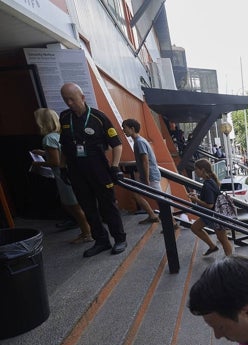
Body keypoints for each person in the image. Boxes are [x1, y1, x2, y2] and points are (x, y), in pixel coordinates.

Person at [58, 82, 127, 257]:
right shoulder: (65, 118)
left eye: (72, 99)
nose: (69, 103)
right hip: (76, 171)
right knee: (88, 208)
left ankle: (119, 239)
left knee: (108, 206)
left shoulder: (98, 117)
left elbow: (116, 145)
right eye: (66, 100)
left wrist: (115, 167)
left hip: (99, 169)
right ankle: (101, 241)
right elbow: (64, 146)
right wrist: (62, 167)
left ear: (82, 97)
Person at [31, 108, 92, 244]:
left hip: (62, 176)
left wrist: (38, 164)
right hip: (71, 174)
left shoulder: (48, 138)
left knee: (73, 207)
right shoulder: (59, 136)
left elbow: (55, 161)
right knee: (75, 205)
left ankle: (87, 233)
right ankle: (88, 231)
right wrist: (43, 153)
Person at [187, 158, 233, 257]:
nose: (195, 171)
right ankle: (212, 246)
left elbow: (210, 204)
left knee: (223, 239)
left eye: (196, 169)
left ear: (202, 170)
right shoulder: (211, 181)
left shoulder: (208, 184)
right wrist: (198, 197)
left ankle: (231, 260)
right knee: (195, 227)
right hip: (211, 215)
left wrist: (196, 200)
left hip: (214, 216)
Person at [121, 118, 161, 224]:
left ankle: (173, 223)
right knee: (137, 194)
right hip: (148, 175)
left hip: (151, 176)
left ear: (132, 128)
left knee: (161, 201)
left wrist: (146, 179)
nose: (123, 131)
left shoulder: (139, 142)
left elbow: (145, 161)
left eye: (125, 128)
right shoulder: (140, 141)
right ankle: (152, 215)